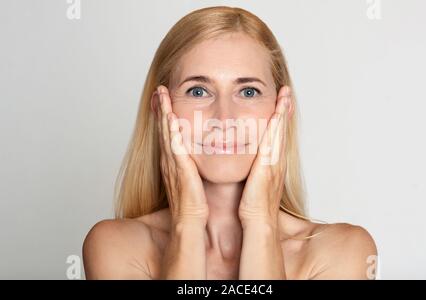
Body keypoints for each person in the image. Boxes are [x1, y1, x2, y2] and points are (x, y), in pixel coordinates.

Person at [83, 6, 377, 280]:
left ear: (282, 109)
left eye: (248, 92)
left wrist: (261, 222)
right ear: (161, 109)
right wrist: (188, 222)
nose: (224, 118)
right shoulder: (116, 245)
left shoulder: (342, 252)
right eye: (198, 91)